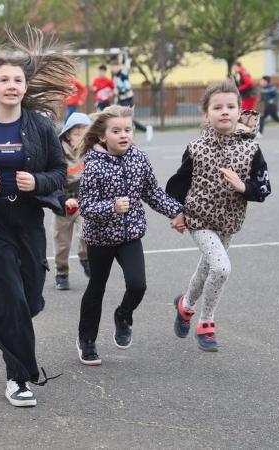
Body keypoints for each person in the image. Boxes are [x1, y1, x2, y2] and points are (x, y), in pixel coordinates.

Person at [0, 27, 73, 407]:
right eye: (4, 79)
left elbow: (59, 173)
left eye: (18, 79)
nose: (11, 85)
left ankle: (2, 323)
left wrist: (34, 180)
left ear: (25, 85)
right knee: (10, 298)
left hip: (28, 222)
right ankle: (19, 377)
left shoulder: (40, 127)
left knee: (30, 300)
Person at [166, 80, 271, 352]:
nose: (224, 111)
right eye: (217, 107)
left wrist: (243, 187)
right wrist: (177, 213)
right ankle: (206, 322)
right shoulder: (196, 147)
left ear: (239, 111)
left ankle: (185, 306)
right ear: (206, 114)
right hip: (198, 218)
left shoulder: (252, 150)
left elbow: (263, 188)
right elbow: (179, 182)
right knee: (222, 267)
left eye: (230, 106)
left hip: (229, 221)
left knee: (206, 269)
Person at [76, 105, 183, 365]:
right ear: (102, 136)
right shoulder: (92, 165)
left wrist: (177, 212)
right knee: (96, 287)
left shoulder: (139, 159)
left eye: (128, 129)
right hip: (100, 238)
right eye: (116, 131)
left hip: (130, 234)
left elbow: (153, 193)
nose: (124, 135)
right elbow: (86, 206)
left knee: (138, 284)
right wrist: (111, 207)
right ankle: (86, 340)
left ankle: (123, 316)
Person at [53, 112, 91, 291]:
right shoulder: (58, 152)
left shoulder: (92, 152)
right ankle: (62, 272)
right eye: (77, 133)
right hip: (64, 203)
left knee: (87, 233)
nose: (81, 136)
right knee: (62, 243)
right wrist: (63, 199)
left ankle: (85, 257)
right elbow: (53, 179)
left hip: (84, 202)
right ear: (68, 134)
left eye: (85, 133)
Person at [110, 61, 153, 142]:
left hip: (127, 100)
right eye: (112, 67)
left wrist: (119, 91)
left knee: (127, 119)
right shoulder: (116, 76)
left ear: (118, 66)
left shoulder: (122, 75)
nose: (113, 69)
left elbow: (127, 87)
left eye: (114, 67)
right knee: (123, 118)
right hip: (121, 100)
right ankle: (139, 131)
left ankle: (146, 129)